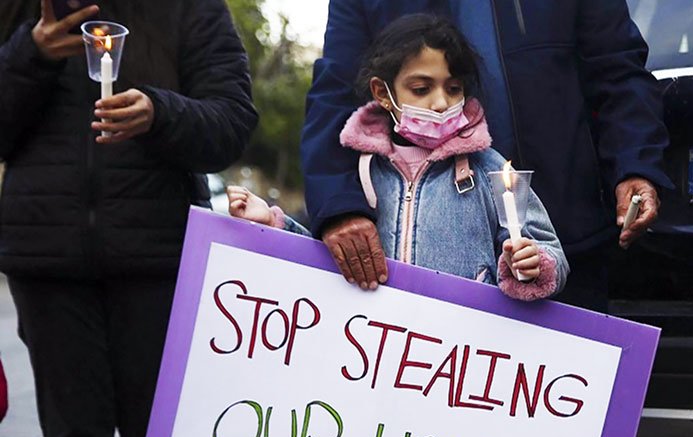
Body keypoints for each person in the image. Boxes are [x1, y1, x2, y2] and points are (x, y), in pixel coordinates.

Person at [0, 1, 257, 437]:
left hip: (158, 260)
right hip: (48, 261)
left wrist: (159, 113)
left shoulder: (189, 9)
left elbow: (233, 123)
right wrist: (32, 53)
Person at [301, 0, 672, 312]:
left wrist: (635, 165)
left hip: (569, 242)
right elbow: (335, 92)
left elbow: (618, 72)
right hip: (416, 271)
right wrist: (339, 208)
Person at [230, 14, 568, 302]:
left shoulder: (492, 169)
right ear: (383, 93)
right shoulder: (357, 173)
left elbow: (550, 252)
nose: (440, 103)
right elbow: (329, 258)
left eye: (453, 88)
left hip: (462, 360)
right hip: (380, 358)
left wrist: (534, 264)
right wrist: (272, 225)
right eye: (421, 89)